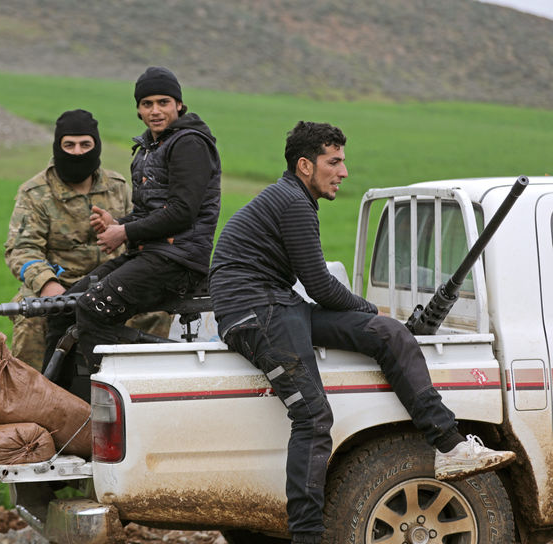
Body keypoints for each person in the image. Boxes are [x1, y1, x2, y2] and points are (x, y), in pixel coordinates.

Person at [208, 121, 516, 544]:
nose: (344, 172)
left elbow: (313, 291)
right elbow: (318, 284)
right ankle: (307, 536)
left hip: (278, 305)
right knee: (314, 418)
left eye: (343, 161)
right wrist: (369, 305)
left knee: (387, 334)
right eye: (333, 162)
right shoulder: (292, 202)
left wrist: (374, 317)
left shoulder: (294, 199)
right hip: (254, 312)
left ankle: (450, 445)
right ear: (304, 165)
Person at [44, 66, 221, 392]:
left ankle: (108, 406)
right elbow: (146, 213)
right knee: (61, 309)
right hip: (149, 255)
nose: (155, 111)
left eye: (163, 102)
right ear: (138, 108)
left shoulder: (189, 144)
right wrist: (118, 223)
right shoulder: (146, 150)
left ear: (179, 105)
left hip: (178, 262)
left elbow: (182, 212)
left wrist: (123, 234)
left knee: (91, 311)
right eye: (147, 104)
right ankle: (55, 404)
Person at [4, 109, 169, 371]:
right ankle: (30, 398)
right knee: (31, 320)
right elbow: (22, 249)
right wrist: (48, 285)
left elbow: (139, 232)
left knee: (155, 312)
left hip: (114, 285)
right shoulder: (34, 193)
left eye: (85, 144)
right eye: (69, 145)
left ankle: (139, 388)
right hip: (60, 286)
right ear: (58, 146)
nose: (78, 152)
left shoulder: (117, 186)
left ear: (96, 145)